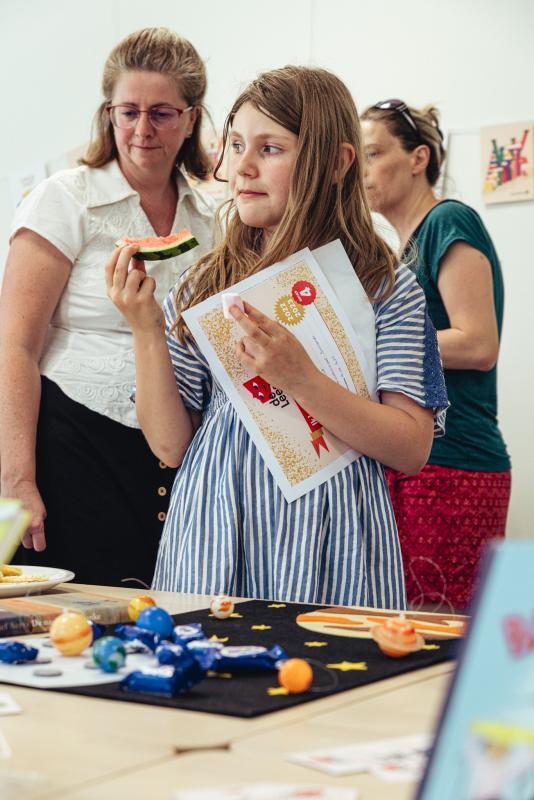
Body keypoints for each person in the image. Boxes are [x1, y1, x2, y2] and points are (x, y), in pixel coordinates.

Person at [107, 67, 448, 607]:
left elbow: (411, 447)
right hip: (213, 533)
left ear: (336, 163)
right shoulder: (204, 285)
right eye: (236, 144)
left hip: (337, 539)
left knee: (333, 682)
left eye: (270, 148)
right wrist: (145, 327)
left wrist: (301, 378)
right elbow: (171, 446)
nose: (241, 167)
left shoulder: (386, 288)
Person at [0, 28, 216, 586]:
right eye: (128, 112)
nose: (142, 131)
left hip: (176, 451)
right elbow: (16, 344)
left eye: (163, 113)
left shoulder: (211, 217)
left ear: (192, 118)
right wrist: (17, 477)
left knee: (160, 614)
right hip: (71, 437)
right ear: (108, 113)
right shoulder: (65, 198)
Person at [361, 99, 511, 611]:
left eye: (373, 153)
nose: (361, 171)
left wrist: (369, 345)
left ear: (418, 158)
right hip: (415, 459)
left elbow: (477, 342)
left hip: (456, 465)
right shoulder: (400, 250)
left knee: (437, 639)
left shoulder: (448, 220)